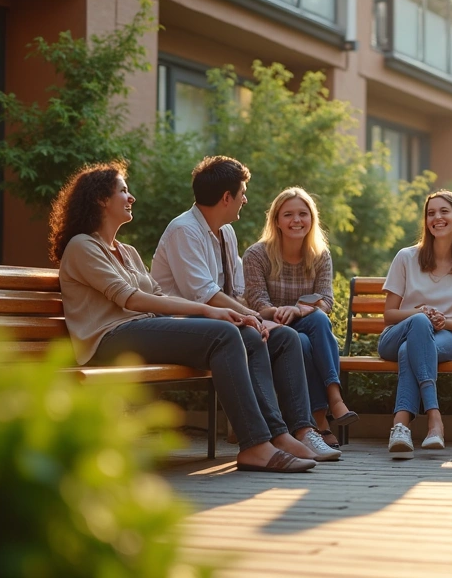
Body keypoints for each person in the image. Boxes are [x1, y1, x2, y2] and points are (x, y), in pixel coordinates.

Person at [51, 162, 316, 473]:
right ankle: (255, 446)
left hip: (139, 330)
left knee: (246, 334)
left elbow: (159, 298)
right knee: (224, 334)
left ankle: (276, 434)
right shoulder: (83, 246)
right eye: (123, 190)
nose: (131, 197)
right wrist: (209, 310)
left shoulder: (127, 251)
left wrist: (241, 315)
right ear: (100, 200)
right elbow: (130, 298)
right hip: (108, 339)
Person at [150, 156, 340, 462]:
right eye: (242, 193)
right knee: (253, 337)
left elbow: (236, 294)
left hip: (222, 323)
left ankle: (303, 431)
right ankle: (272, 436)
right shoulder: (184, 230)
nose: (245, 199)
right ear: (227, 198)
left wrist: (263, 317)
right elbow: (206, 296)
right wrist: (252, 317)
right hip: (184, 326)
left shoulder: (225, 233)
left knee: (286, 337)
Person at [243, 187, 357, 450]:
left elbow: (325, 301)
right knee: (300, 336)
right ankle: (328, 411)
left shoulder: (320, 255)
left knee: (313, 327)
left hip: (306, 324)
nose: (297, 220)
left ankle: (323, 413)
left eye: (303, 214)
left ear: (312, 219)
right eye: (289, 214)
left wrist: (298, 309)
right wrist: (278, 312)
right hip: (272, 328)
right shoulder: (257, 254)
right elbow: (257, 301)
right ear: (277, 221)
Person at [381, 190, 452, 459]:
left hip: (448, 338)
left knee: (411, 351)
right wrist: (419, 315)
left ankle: (401, 427)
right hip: (396, 336)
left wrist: (443, 321)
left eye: (444, 211)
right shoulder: (406, 257)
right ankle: (434, 420)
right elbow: (389, 315)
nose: (436, 218)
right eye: (431, 213)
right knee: (416, 325)